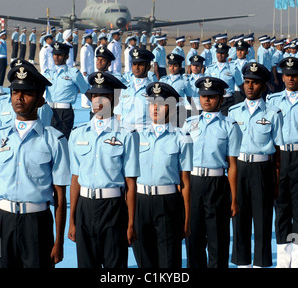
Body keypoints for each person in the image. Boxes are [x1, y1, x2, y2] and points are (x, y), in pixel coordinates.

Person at [0, 61, 71, 268]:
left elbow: (60, 196)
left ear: (40, 100)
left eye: (27, 93)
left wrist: (59, 241)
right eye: (15, 92)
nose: (19, 97)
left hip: (36, 223)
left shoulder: (54, 140)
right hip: (2, 222)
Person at [68, 71, 140, 268]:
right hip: (85, 207)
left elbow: (130, 183)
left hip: (114, 207)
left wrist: (131, 222)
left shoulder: (127, 135)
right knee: (86, 264)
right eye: (94, 96)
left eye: (105, 96)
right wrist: (72, 219)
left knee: (114, 266)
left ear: (115, 100)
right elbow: (75, 179)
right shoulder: (77, 134)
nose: (98, 101)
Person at [229, 62, 284, 268]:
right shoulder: (234, 112)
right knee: (239, 217)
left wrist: (276, 179)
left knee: (262, 219)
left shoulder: (273, 113)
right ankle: (242, 263)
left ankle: (261, 264)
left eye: (254, 83)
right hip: (240, 168)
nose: (249, 86)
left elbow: (278, 149)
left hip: (263, 169)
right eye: (246, 82)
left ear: (263, 86)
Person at [132, 81, 192, 268]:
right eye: (152, 104)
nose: (155, 108)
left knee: (169, 260)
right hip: (141, 202)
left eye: (161, 104)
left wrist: (187, 217)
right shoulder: (136, 136)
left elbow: (186, 182)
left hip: (168, 203)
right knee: (144, 258)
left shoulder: (182, 137)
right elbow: (130, 180)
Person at [183, 77, 241, 268]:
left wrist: (234, 198)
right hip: (193, 183)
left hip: (217, 184)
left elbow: (232, 164)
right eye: (203, 96)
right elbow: (181, 161)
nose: (207, 100)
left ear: (221, 99)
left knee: (218, 239)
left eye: (212, 96)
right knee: (193, 239)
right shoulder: (189, 124)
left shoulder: (230, 126)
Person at [266, 57, 298, 268]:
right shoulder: (273, 101)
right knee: (281, 206)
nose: (290, 79)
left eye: (294, 75)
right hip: (280, 156)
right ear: (282, 76)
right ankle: (283, 258)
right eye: (287, 75)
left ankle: (296, 257)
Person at [43, 42, 89, 139]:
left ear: (67, 56)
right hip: (49, 112)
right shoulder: (48, 73)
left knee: (63, 141)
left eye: (59, 55)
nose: (56, 57)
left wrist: (99, 108)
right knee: (48, 141)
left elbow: (86, 90)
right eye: (55, 54)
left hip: (65, 113)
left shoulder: (74, 73)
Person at [0, 59, 53, 128]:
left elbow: (44, 131)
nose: (19, 97)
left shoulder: (40, 107)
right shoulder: (1, 104)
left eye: (27, 92)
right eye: (16, 91)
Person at [114, 48, 155, 130]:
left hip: (144, 134)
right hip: (125, 133)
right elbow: (118, 115)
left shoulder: (153, 90)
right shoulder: (124, 88)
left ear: (148, 67)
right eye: (134, 64)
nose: (137, 67)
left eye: (141, 64)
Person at [205, 42, 243, 115]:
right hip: (213, 99)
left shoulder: (233, 68)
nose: (220, 55)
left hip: (227, 100)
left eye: (223, 53)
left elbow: (240, 84)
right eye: (219, 53)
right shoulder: (210, 69)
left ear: (227, 55)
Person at [80, 33, 94, 108]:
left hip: (90, 70)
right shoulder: (84, 48)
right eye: (90, 38)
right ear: (86, 39)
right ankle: (84, 103)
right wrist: (84, 70)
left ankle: (88, 102)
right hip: (86, 71)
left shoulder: (90, 47)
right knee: (85, 86)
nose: (91, 40)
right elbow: (83, 60)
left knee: (90, 87)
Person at [0, 30, 8, 96]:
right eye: (4, 35)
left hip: (4, 60)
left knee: (3, 74)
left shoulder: (4, 42)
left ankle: (1, 88)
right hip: (0, 60)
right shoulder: (0, 43)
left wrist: (7, 62)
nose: (5, 36)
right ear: (1, 36)